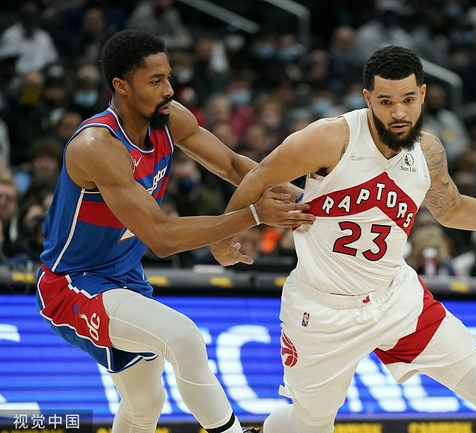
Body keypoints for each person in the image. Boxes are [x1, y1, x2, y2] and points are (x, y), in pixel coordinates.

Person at [211, 46, 476, 433]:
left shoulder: (428, 150)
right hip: (323, 310)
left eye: (408, 99)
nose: (399, 112)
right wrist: (223, 238)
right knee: (309, 425)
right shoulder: (329, 139)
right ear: (368, 98)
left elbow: (452, 209)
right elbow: (258, 178)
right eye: (386, 102)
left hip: (397, 299)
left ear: (423, 94)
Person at [35, 29, 314, 433]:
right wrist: (254, 215)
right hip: (72, 283)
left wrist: (304, 199)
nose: (169, 89)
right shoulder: (96, 146)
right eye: (155, 81)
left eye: (168, 77)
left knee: (144, 404)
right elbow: (162, 237)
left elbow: (234, 166)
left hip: (125, 278)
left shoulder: (170, 118)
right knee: (183, 337)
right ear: (121, 86)